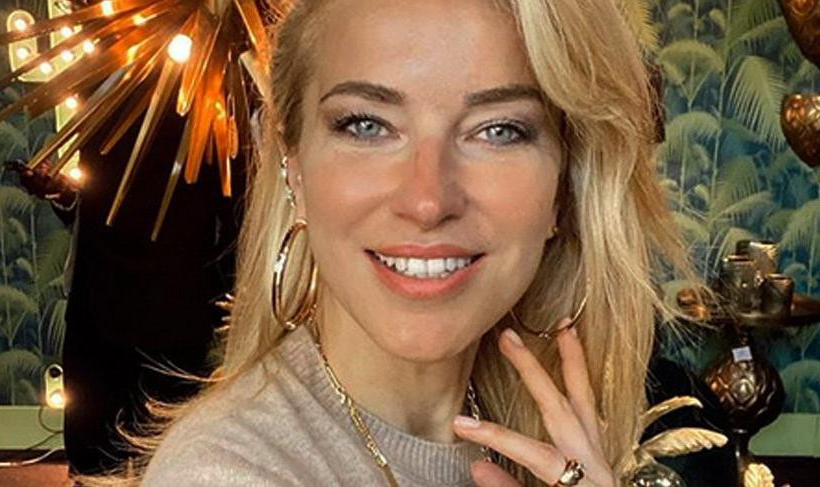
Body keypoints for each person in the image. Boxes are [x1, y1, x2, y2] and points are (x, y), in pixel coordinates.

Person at [125, 0, 706, 485]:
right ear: (292, 165)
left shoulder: (533, 433)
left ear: (565, 185)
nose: (428, 202)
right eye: (366, 125)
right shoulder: (227, 472)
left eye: (498, 130)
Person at [19, 99, 240, 478]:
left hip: (172, 308)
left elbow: (233, 215)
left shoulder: (212, 103)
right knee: (98, 450)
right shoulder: (103, 98)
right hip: (105, 302)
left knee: (167, 452)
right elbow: (97, 203)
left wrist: (222, 300)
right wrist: (65, 194)